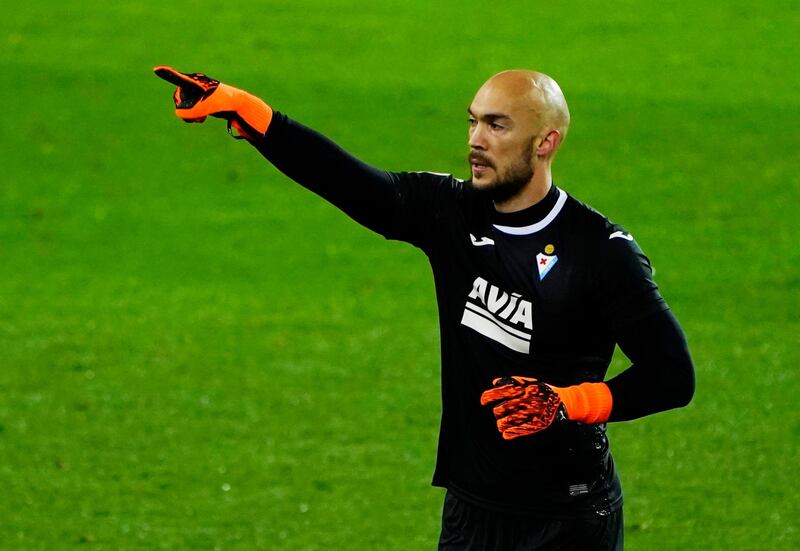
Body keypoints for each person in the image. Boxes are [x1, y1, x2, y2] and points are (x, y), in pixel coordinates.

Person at [155, 66, 695, 550]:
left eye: (497, 126)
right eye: (473, 122)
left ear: (545, 142)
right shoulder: (451, 212)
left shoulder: (599, 251)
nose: (475, 141)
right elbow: (351, 184)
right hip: (472, 506)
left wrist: (565, 402)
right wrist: (247, 110)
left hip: (569, 516)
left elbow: (672, 375)